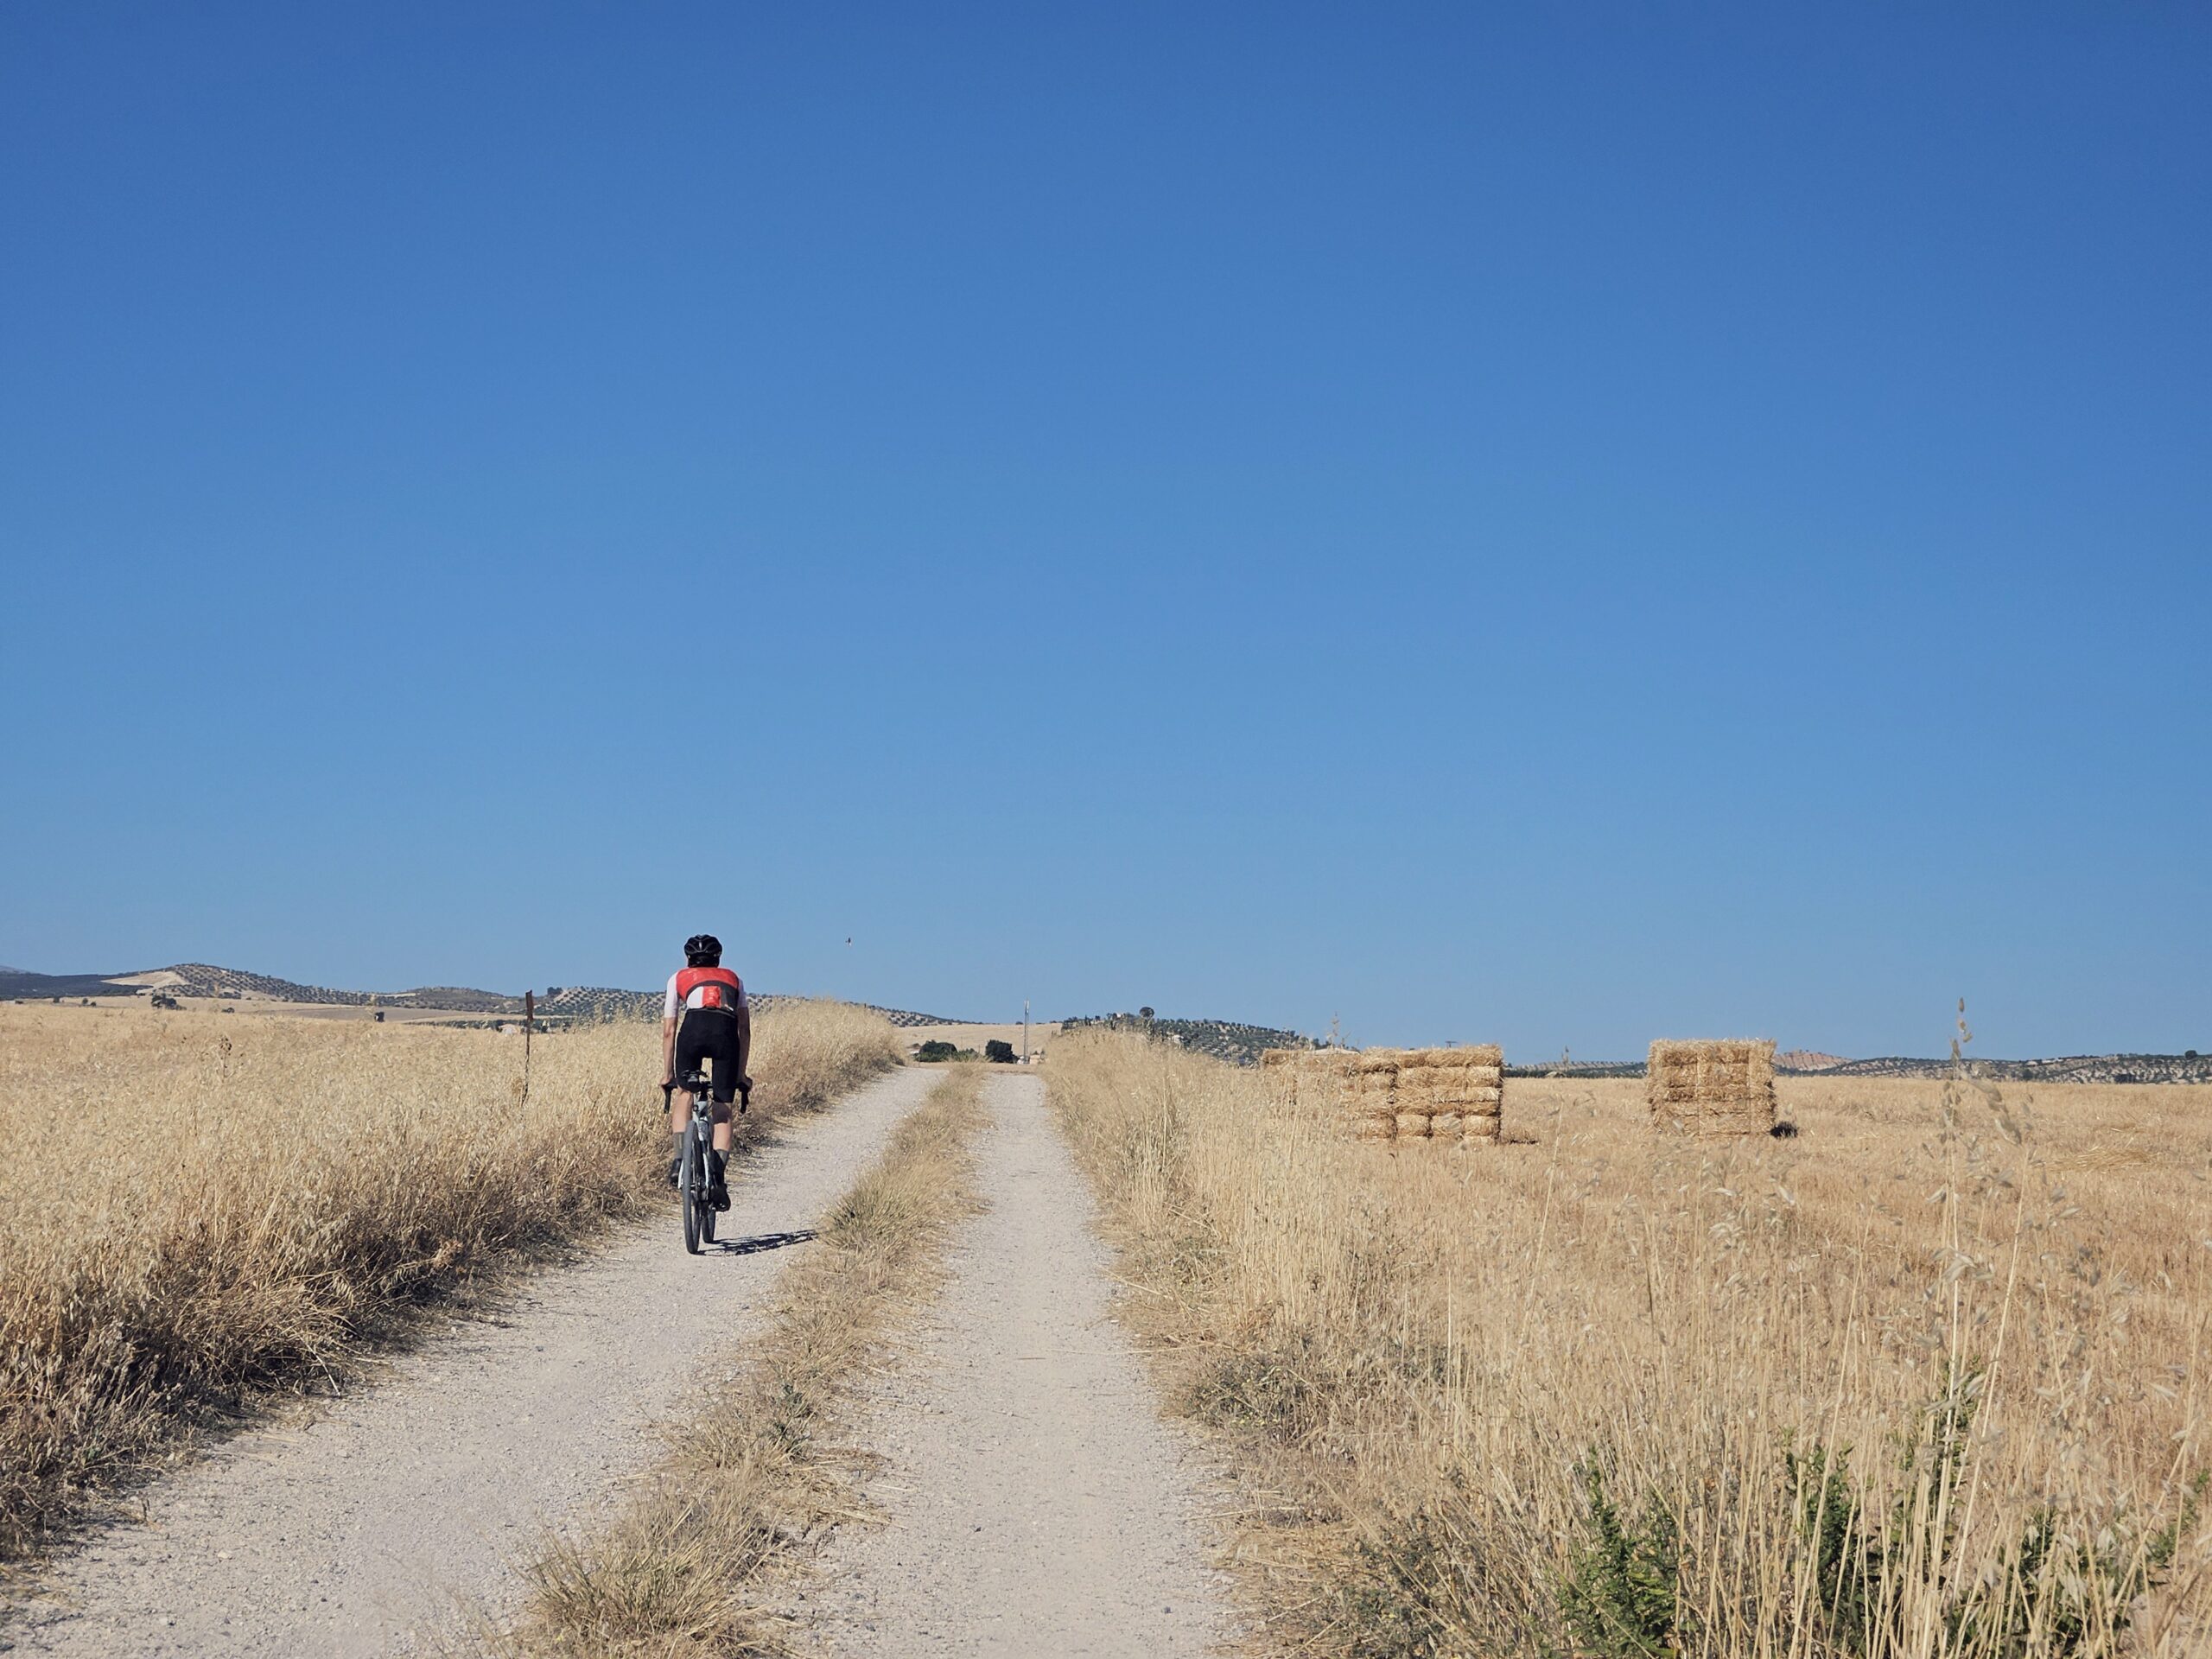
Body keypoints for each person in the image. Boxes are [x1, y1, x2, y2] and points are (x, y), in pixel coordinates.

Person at [661, 932, 752, 1211]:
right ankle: (718, 1178)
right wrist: (740, 1073)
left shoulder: (678, 978)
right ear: (719, 959)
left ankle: (679, 1161)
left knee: (685, 1095)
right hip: (725, 1036)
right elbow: (744, 1029)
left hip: (692, 1033)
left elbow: (669, 1031)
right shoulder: (734, 979)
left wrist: (667, 1075)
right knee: (722, 1109)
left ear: (688, 960)